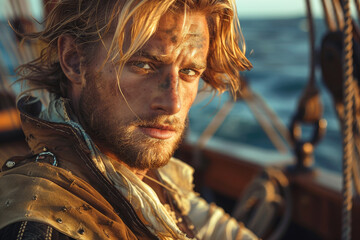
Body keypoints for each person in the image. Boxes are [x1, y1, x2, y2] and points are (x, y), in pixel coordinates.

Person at [0, 0, 254, 239]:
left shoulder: (148, 176)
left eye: (188, 71)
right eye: (143, 65)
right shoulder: (40, 227)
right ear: (74, 61)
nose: (173, 103)